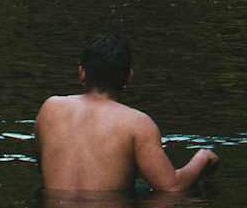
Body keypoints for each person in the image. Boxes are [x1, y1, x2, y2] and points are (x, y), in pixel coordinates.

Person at [35, 34, 218, 194]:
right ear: (129, 77)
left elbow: (43, 165)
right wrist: (203, 157)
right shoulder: (136, 123)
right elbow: (170, 187)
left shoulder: (50, 109)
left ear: (81, 72)